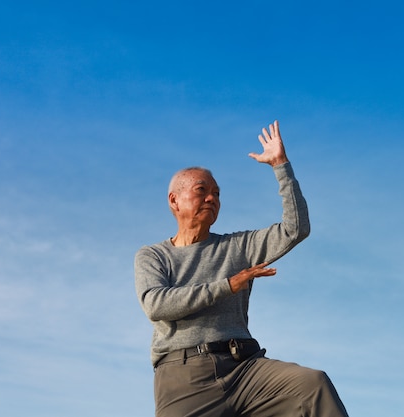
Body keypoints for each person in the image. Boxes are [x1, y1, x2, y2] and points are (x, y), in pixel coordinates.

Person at [134, 120, 349, 417]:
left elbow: (295, 229)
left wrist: (280, 166)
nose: (212, 198)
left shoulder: (237, 246)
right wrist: (228, 285)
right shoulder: (154, 255)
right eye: (202, 190)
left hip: (246, 369)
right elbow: (157, 305)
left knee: (311, 385)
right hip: (184, 377)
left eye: (217, 193)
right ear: (174, 200)